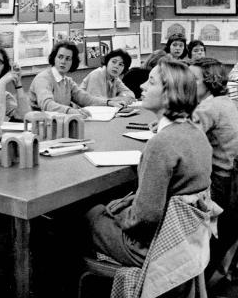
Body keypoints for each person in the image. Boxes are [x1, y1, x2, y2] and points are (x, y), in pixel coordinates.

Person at [85, 58, 212, 267]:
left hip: (151, 249)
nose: (142, 86)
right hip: (186, 241)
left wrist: (116, 211)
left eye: (151, 82)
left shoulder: (161, 143)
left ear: (169, 93)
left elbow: (144, 218)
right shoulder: (195, 133)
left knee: (81, 217)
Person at [189, 58, 238, 274]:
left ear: (208, 82)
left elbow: (184, 141)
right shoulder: (225, 102)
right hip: (233, 178)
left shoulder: (207, 106)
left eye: (193, 80)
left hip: (220, 183)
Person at [29, 41, 125, 116]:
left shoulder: (67, 81)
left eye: (68, 58)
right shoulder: (43, 78)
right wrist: (71, 111)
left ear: (72, 62)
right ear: (54, 58)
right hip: (40, 126)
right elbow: (47, 104)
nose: (63, 61)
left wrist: (109, 102)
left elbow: (86, 99)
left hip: (60, 124)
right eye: (60, 57)